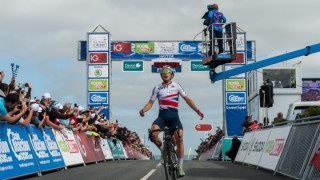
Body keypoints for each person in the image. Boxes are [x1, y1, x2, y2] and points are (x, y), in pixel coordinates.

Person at [139, 65, 204, 177]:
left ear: (171, 74)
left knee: (179, 138)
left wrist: (197, 111)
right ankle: (164, 151)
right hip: (162, 116)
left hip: (174, 117)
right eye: (163, 72)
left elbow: (187, 99)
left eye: (168, 71)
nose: (165, 73)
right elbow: (150, 102)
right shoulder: (157, 88)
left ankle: (180, 166)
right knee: (153, 134)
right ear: (161, 75)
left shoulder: (177, 86)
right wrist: (143, 110)